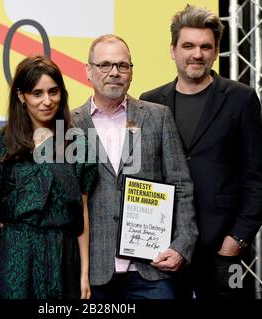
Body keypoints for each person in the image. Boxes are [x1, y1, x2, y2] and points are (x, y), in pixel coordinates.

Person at [140, 5, 262, 299]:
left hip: (223, 249)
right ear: (172, 49)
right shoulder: (150, 101)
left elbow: (256, 177)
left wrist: (236, 240)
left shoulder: (241, 99)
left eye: (205, 47)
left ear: (215, 52)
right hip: (167, 249)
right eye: (188, 45)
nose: (196, 54)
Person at [70, 34, 197, 299]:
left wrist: (183, 245)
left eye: (122, 65)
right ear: (88, 71)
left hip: (151, 270)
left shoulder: (158, 117)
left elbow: (181, 186)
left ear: (131, 72)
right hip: (92, 274)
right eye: (105, 65)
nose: (114, 72)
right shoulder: (70, 124)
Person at [0, 55, 97, 299]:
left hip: (63, 254)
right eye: (37, 93)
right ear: (21, 96)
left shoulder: (76, 143)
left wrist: (84, 274)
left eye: (53, 92)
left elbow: (82, 212)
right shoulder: (0, 142)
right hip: (16, 254)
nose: (47, 101)